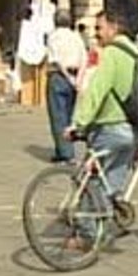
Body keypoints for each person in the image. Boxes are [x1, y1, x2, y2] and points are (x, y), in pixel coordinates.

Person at [66, 9, 138, 246]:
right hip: (133, 129)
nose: (96, 34)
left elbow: (97, 90)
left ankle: (88, 236)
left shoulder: (112, 54)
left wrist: (78, 124)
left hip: (110, 127)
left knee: (91, 180)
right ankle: (106, 227)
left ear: (113, 28)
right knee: (113, 181)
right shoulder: (136, 52)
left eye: (99, 28)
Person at [46, 10, 87, 164]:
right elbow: (84, 58)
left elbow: (57, 60)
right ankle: (62, 149)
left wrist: (68, 77)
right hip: (75, 74)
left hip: (59, 76)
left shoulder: (53, 36)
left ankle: (65, 153)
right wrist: (78, 79)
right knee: (69, 115)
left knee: (58, 115)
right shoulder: (76, 37)